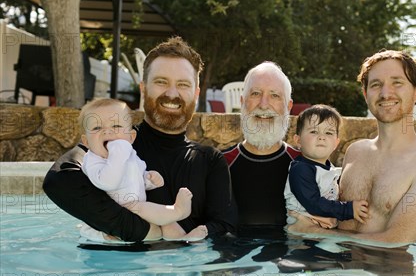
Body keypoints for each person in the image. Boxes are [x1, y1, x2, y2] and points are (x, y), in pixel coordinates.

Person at [44, 36, 237, 242]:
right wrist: (142, 232)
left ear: (196, 94)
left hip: (184, 268)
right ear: (143, 88)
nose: (172, 93)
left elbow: (226, 227)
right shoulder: (115, 142)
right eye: (161, 82)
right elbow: (58, 180)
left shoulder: (209, 160)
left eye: (182, 84)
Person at [287, 50, 416, 243]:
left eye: (397, 83)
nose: (385, 93)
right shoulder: (355, 152)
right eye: (376, 85)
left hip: (382, 272)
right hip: (331, 266)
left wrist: (315, 233)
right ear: (366, 94)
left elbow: (397, 241)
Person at [77, 98, 195, 242]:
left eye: (116, 125)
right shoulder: (93, 160)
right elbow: (108, 183)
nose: (107, 131)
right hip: (113, 212)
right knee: (145, 209)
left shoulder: (130, 155)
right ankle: (177, 211)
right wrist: (117, 155)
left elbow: (135, 177)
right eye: (97, 128)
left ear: (131, 137)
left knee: (165, 222)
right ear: (86, 142)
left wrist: (148, 179)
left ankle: (184, 239)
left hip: (133, 207)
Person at [222, 62, 301, 236]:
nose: (264, 105)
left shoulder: (305, 164)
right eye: (256, 94)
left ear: (288, 106)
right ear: (243, 102)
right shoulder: (220, 165)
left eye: (274, 95)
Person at [284, 104, 369, 229]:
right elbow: (313, 204)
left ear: (336, 143)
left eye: (329, 132)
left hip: (322, 228)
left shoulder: (331, 169)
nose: (322, 137)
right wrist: (349, 209)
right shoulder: (300, 169)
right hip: (303, 231)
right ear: (298, 140)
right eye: (314, 131)